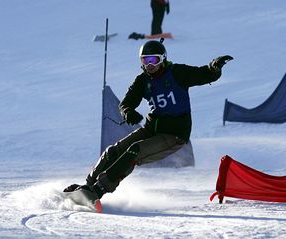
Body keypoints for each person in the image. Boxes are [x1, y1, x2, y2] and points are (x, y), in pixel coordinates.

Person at [64, 39, 233, 204]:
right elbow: (126, 103)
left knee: (134, 151)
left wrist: (214, 68)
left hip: (174, 134)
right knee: (113, 151)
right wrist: (128, 112)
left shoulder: (177, 73)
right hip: (152, 128)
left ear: (163, 59)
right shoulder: (142, 81)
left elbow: (203, 74)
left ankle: (99, 190)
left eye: (154, 60)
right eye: (145, 60)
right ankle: (87, 187)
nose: (149, 65)